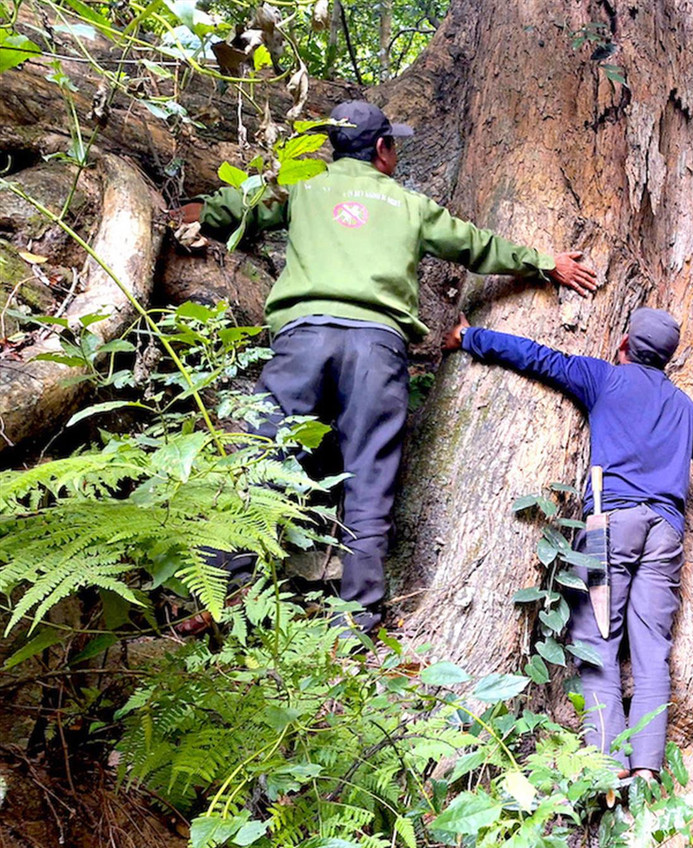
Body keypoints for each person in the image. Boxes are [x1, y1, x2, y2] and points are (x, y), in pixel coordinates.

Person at [175, 100, 598, 633]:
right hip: (376, 348)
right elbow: (475, 246)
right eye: (394, 143)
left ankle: (230, 595)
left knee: (263, 458)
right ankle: (357, 621)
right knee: (370, 479)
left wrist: (184, 214)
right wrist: (544, 262)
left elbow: (233, 208)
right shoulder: (409, 205)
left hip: (303, 340)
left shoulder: (301, 185)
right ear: (382, 149)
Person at [450, 306, 693, 780]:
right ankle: (648, 768)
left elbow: (536, 357)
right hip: (667, 531)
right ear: (666, 359)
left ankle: (608, 765)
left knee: (596, 638)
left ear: (625, 345)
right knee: (653, 649)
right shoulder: (682, 406)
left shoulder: (603, 379)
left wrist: (470, 337)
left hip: (610, 525)